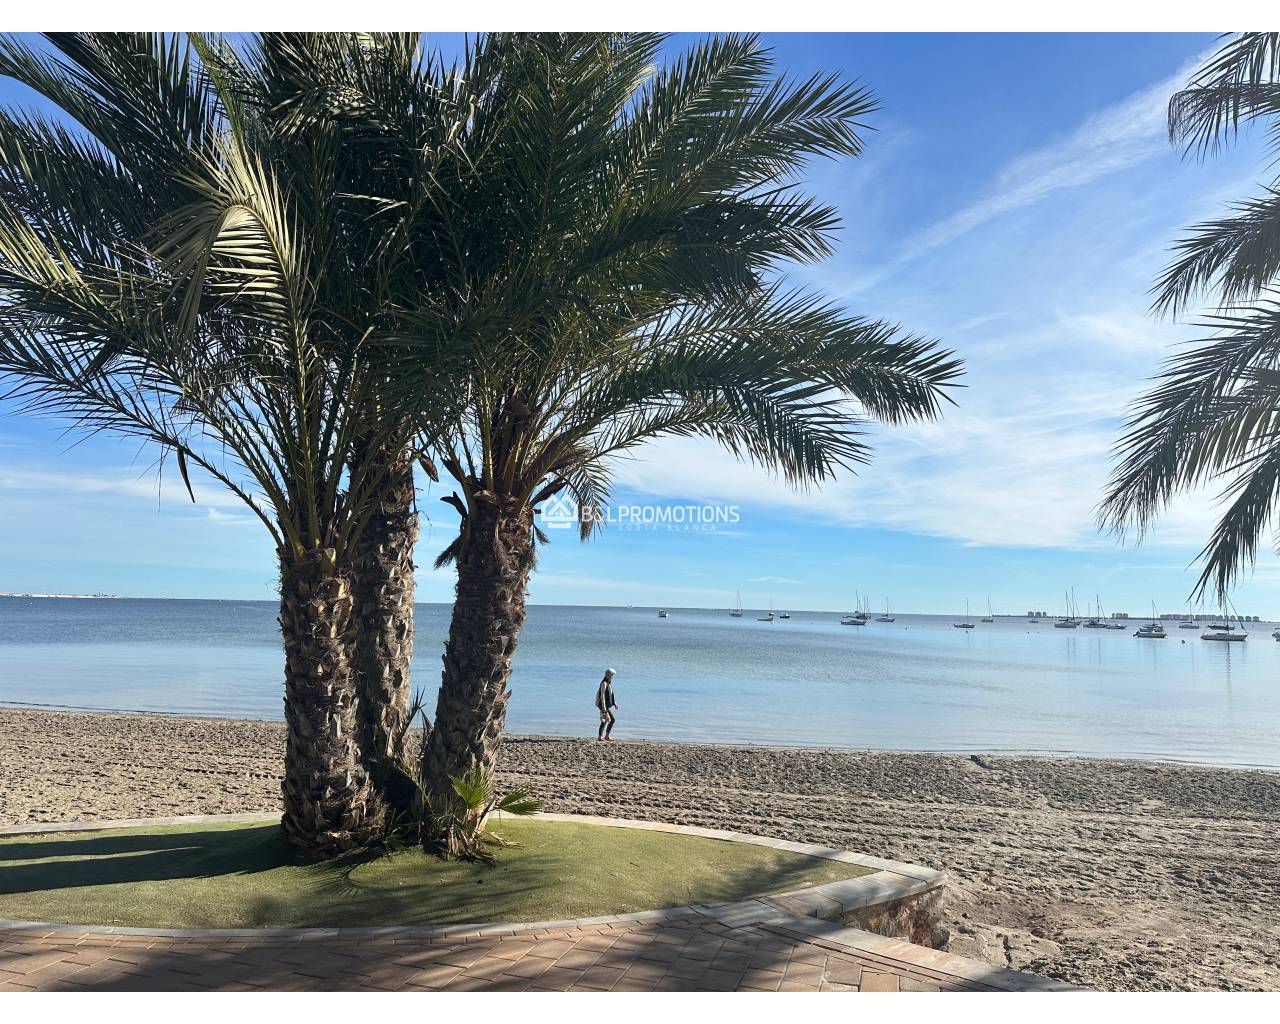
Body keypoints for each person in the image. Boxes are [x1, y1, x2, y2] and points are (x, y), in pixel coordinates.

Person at [595, 667, 618, 741]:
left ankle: (604, 736)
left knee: (607, 720)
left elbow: (610, 694)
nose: (613, 677)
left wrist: (614, 703)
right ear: (608, 675)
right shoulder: (604, 683)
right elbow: (602, 696)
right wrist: (604, 707)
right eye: (612, 675)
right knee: (608, 720)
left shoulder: (608, 682)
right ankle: (602, 736)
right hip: (602, 705)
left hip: (605, 705)